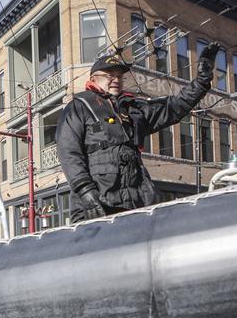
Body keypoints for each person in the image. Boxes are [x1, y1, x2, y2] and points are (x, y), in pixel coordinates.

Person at [56, 44, 220, 223]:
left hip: (136, 200)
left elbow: (173, 108)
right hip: (98, 200)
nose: (116, 79)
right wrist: (85, 191)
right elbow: (69, 151)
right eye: (110, 75)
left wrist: (202, 81)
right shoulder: (79, 106)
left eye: (120, 76)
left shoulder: (133, 109)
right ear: (94, 78)